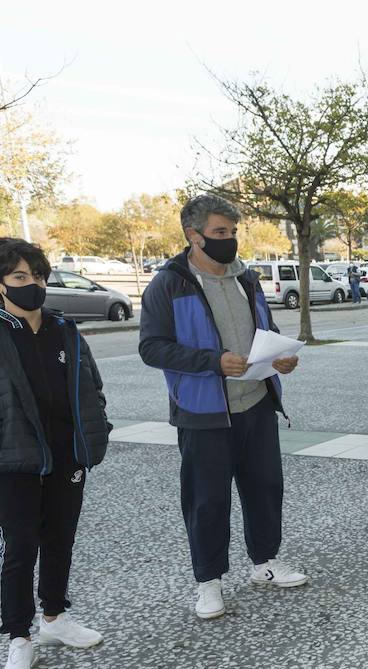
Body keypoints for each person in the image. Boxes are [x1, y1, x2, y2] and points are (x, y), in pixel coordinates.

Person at [0, 237, 111, 669]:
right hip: (15, 463)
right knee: (19, 550)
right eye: (19, 277)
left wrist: (96, 428)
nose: (32, 284)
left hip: (67, 456)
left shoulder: (64, 330)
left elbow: (91, 385)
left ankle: (55, 617)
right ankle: (19, 638)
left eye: (37, 276)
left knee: (60, 539)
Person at [139, 194, 309, 621]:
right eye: (219, 233)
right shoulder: (169, 284)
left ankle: (265, 563)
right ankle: (209, 582)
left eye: (233, 232)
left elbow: (265, 330)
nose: (229, 240)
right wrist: (211, 363)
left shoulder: (247, 279)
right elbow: (152, 348)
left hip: (256, 403)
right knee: (206, 501)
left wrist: (280, 358)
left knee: (265, 490)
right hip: (203, 413)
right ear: (192, 236)